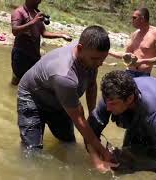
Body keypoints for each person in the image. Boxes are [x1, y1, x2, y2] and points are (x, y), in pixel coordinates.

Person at [17, 25, 115, 164]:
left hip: (58, 99)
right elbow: (79, 119)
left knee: (68, 143)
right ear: (80, 48)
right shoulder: (65, 75)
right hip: (32, 97)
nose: (100, 63)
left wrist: (92, 114)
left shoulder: (89, 54)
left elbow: (92, 84)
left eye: (103, 59)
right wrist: (102, 151)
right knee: (32, 152)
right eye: (95, 59)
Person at [86, 70, 156, 180]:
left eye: (113, 104)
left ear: (129, 99)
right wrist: (97, 159)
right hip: (138, 104)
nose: (108, 108)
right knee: (128, 152)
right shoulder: (110, 97)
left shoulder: (154, 114)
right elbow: (90, 131)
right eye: (106, 101)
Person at [11, 0, 72, 85]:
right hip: (21, 55)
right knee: (17, 82)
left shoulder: (36, 14)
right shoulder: (19, 12)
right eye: (37, 0)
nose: (39, 2)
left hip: (34, 55)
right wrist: (33, 22)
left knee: (32, 83)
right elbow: (14, 31)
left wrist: (61, 35)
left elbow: (43, 33)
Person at [109, 7, 156, 78]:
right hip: (128, 73)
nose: (132, 20)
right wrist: (108, 51)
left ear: (142, 19)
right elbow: (125, 55)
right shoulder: (135, 34)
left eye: (134, 18)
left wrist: (142, 61)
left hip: (143, 75)